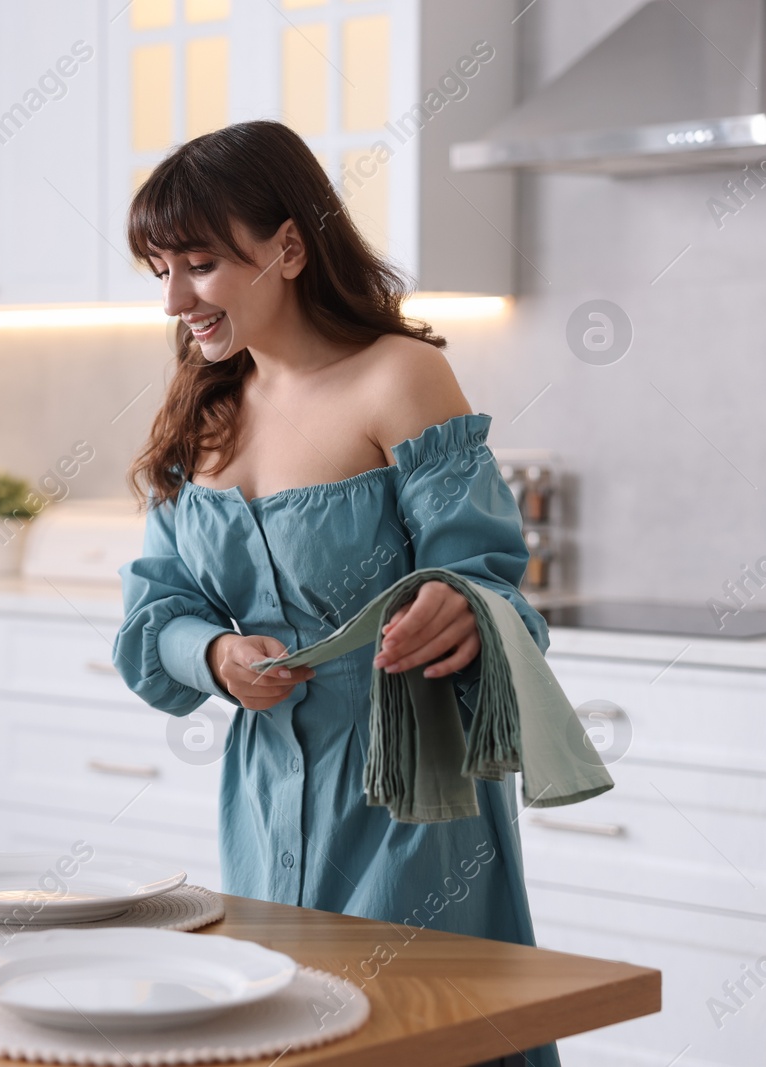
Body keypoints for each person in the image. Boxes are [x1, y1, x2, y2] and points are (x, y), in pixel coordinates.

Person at [111, 120, 555, 1067]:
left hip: (412, 787)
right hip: (264, 785)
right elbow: (153, 620)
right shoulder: (203, 412)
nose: (175, 299)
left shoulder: (401, 376)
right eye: (161, 270)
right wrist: (219, 657)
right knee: (280, 1030)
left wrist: (463, 610)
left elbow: (498, 589)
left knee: (405, 1035)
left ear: (288, 246)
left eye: (199, 262)